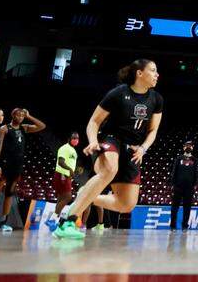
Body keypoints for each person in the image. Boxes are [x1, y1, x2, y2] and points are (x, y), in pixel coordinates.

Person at [52, 59, 163, 239]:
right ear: (139, 73)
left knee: (126, 204)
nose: (157, 74)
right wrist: (93, 141)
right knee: (110, 169)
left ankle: (86, 193)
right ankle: (68, 222)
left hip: (133, 149)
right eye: (153, 70)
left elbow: (153, 130)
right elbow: (94, 122)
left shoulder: (156, 99)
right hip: (111, 139)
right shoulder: (118, 93)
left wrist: (143, 148)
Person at [0, 108, 45, 231]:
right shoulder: (4, 129)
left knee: (9, 193)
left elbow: (42, 126)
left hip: (17, 166)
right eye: (18, 115)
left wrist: (29, 116)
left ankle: (3, 223)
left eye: (23, 115)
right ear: (13, 115)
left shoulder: (24, 128)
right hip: (5, 164)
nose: (21, 117)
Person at [170, 140, 198, 231]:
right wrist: (173, 184)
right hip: (178, 187)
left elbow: (196, 174)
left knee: (187, 208)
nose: (188, 147)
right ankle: (173, 226)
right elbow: (174, 171)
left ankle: (185, 225)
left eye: (190, 146)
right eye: (187, 146)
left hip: (189, 188)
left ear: (192, 148)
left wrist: (194, 185)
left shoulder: (195, 160)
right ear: (183, 147)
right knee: (175, 207)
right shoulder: (179, 158)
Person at [54, 132, 80, 217]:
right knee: (68, 197)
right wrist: (70, 170)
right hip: (62, 175)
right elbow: (61, 162)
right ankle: (52, 219)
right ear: (69, 138)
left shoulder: (73, 150)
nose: (76, 140)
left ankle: (54, 220)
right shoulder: (64, 148)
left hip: (67, 176)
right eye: (74, 138)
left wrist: (75, 170)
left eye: (77, 138)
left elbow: (70, 163)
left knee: (61, 198)